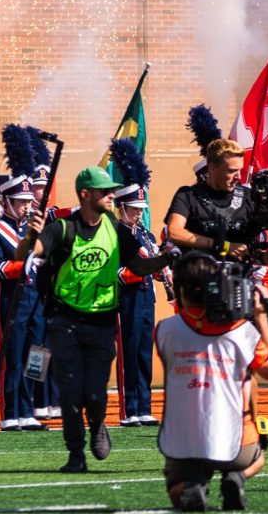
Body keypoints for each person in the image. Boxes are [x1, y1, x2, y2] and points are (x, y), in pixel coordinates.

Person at [15, 166, 173, 473]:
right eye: (106, 192)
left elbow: (139, 266)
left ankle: (98, 422)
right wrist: (31, 234)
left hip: (102, 324)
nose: (112, 195)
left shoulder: (115, 228)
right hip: (65, 322)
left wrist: (166, 258)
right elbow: (26, 254)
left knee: (94, 393)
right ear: (86, 195)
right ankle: (76, 454)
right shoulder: (61, 229)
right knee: (71, 393)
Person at [156, 251, 268, 511]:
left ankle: (194, 483)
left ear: (181, 291)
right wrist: (260, 318)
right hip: (236, 444)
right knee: (259, 454)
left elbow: (190, 327)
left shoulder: (165, 330)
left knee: (176, 489)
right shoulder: (241, 332)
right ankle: (236, 476)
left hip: (184, 443)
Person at [109, 138, 164, 427]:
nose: (138, 213)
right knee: (128, 353)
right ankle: (129, 409)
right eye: (133, 209)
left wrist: (160, 267)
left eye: (141, 208)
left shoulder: (145, 235)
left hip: (146, 299)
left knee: (144, 352)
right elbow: (120, 273)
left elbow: (152, 269)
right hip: (127, 299)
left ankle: (144, 406)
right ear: (121, 207)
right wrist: (146, 268)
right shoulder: (118, 234)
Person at [0, 172, 45, 431]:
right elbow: (0, 267)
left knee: (37, 355)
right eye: (20, 202)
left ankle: (28, 409)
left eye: (28, 201)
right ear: (6, 202)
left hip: (37, 298)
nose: (26, 206)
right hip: (13, 299)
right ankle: (11, 412)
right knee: (14, 357)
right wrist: (22, 263)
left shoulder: (34, 231)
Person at [166, 139, 259, 262]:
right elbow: (174, 232)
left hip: (239, 277)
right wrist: (224, 246)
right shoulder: (188, 195)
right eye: (231, 171)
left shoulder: (249, 196)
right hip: (198, 274)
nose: (239, 177)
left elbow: (259, 237)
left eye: (240, 170)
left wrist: (264, 255)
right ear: (212, 167)